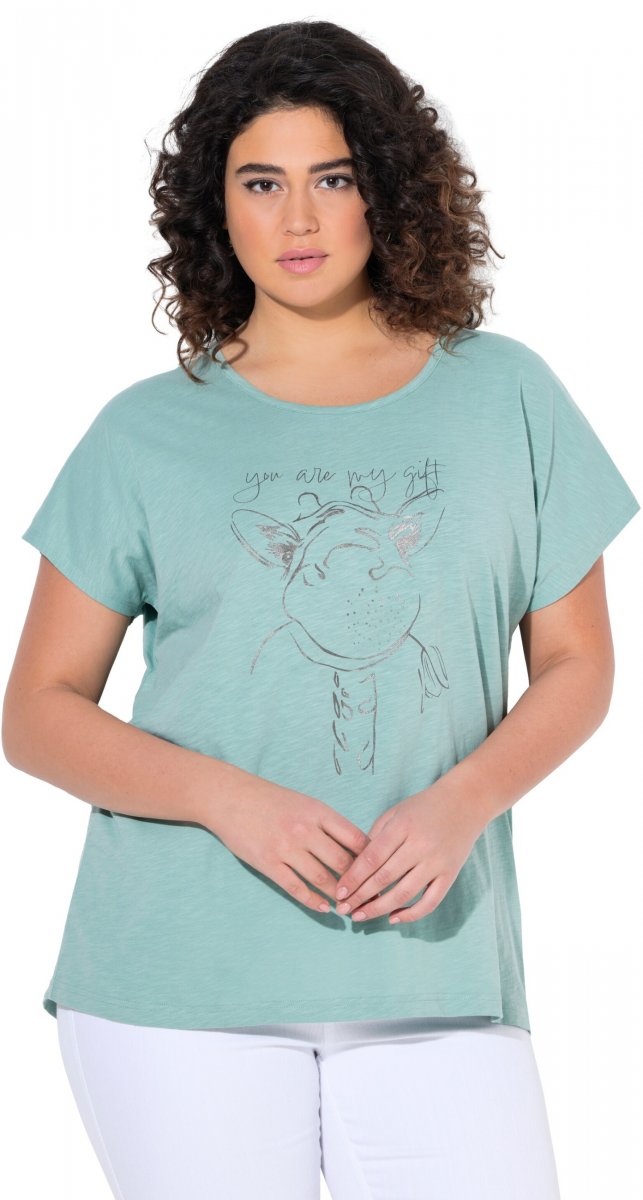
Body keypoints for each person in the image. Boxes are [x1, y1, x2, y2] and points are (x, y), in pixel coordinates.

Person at [3, 19, 640, 1200]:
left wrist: (461, 802)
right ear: (216, 205)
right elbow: (36, 712)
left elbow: (578, 665)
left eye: (332, 178)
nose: (297, 219)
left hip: (434, 975)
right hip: (176, 983)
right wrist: (229, 800)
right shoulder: (144, 432)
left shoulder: (506, 396)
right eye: (261, 182)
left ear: (384, 190)